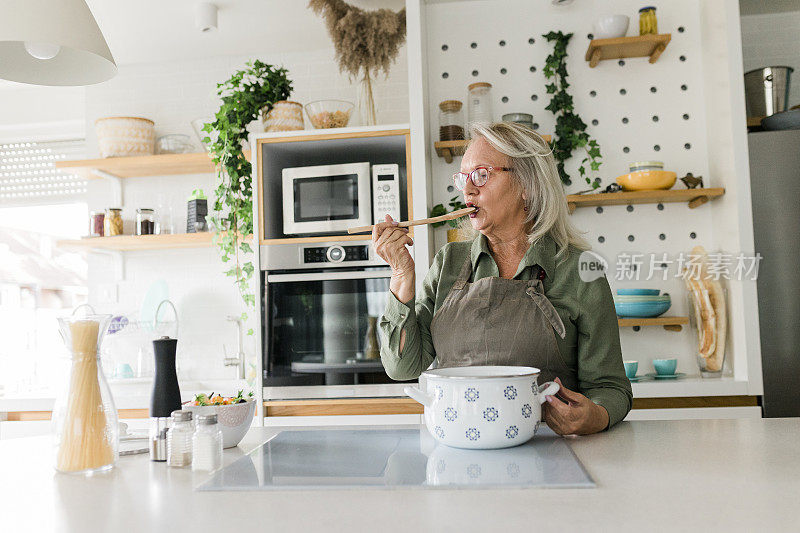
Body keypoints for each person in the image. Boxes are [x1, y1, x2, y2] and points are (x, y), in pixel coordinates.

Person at [372, 122, 632, 435]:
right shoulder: (448, 263)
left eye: (481, 175)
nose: (467, 190)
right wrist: (402, 274)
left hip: (551, 452)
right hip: (459, 445)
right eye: (462, 178)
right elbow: (403, 367)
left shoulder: (579, 270)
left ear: (527, 184)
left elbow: (611, 388)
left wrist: (596, 416)